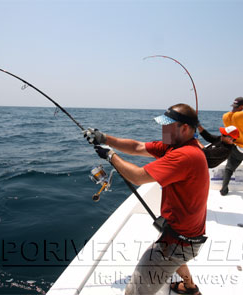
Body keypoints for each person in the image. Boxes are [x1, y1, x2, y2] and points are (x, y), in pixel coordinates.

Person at [84, 103, 208, 295]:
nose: (162, 129)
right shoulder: (177, 145)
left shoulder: (185, 155)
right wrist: (104, 138)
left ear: (184, 128)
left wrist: (111, 156)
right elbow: (137, 147)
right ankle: (191, 289)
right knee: (178, 258)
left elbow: (138, 177)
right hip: (184, 233)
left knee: (135, 291)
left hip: (177, 242)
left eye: (167, 125)